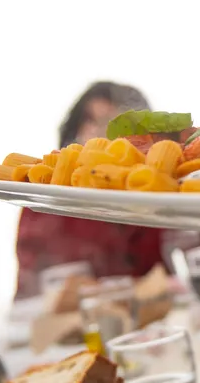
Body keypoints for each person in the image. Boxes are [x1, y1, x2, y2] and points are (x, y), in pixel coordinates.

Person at [15, 82, 169, 299]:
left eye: (115, 125)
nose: (99, 133)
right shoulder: (45, 198)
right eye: (90, 121)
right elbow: (31, 287)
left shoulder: (162, 191)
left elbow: (194, 252)